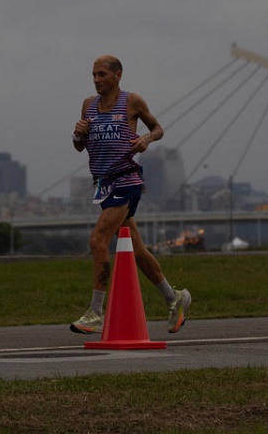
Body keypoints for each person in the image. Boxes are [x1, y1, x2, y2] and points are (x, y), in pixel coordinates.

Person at [69, 55, 191, 335]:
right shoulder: (89, 105)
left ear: (117, 75)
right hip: (103, 183)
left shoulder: (131, 102)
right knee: (137, 251)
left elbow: (157, 128)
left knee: (97, 239)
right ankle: (175, 299)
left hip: (127, 180)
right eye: (94, 75)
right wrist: (77, 135)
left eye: (102, 74)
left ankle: (95, 312)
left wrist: (146, 139)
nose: (97, 80)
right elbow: (79, 147)